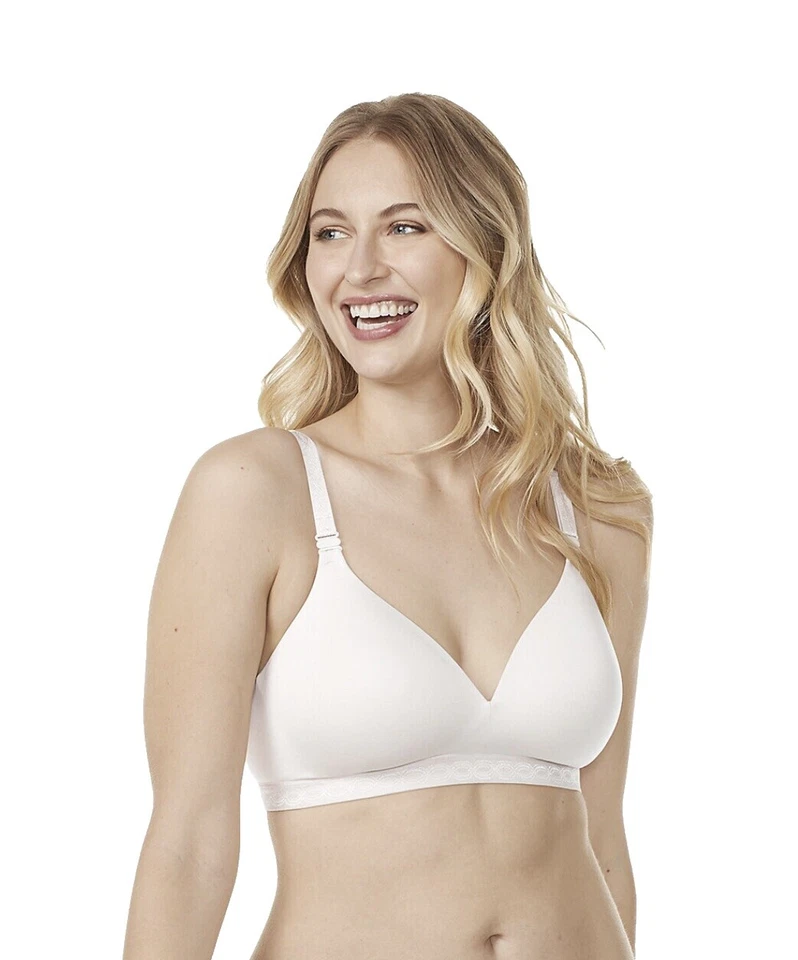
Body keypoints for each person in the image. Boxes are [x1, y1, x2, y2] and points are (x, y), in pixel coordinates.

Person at [123, 92, 653, 960]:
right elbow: (187, 845)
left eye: (404, 227)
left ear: (485, 247)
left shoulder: (597, 508)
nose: (360, 268)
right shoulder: (256, 492)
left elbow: (606, 842)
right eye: (331, 234)